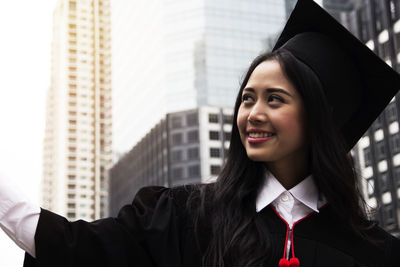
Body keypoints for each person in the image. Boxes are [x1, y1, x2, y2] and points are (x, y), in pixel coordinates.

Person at [1, 0, 400, 266]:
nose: (252, 115)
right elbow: (80, 250)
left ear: (320, 118)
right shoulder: (183, 216)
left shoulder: (375, 252)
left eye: (274, 100)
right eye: (247, 99)